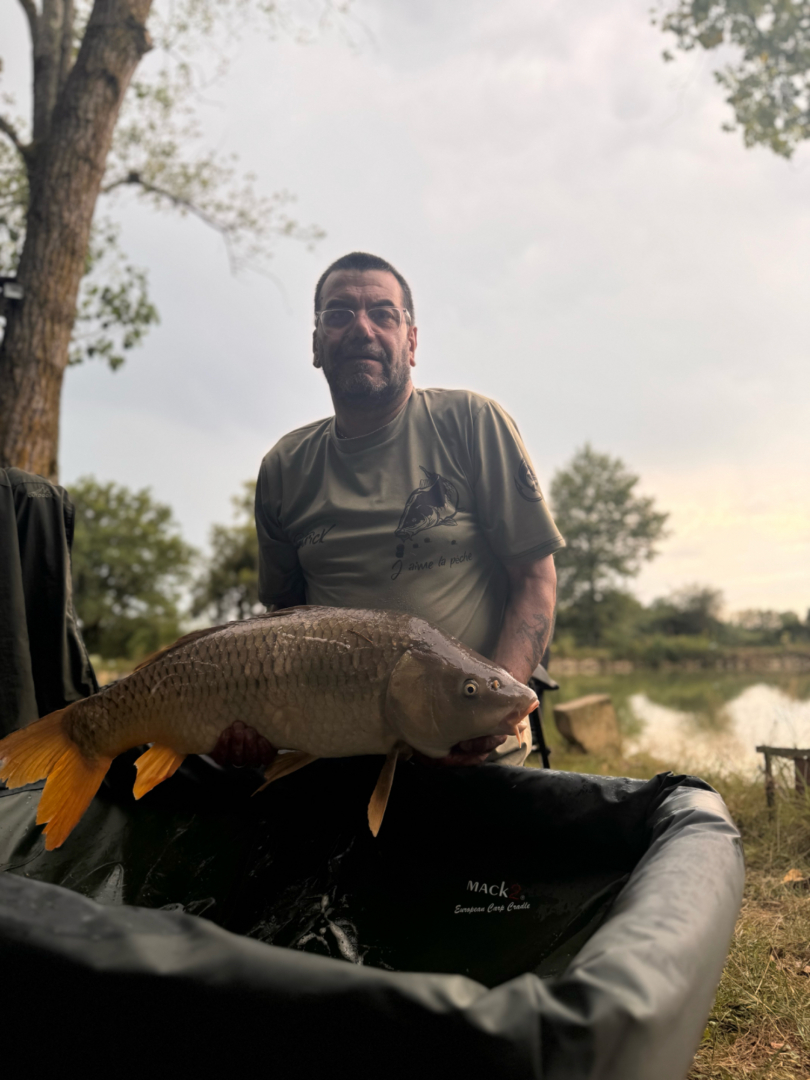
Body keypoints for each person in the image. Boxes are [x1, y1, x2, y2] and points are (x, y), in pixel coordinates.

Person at [213, 252, 563, 769]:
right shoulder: (284, 467)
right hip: (336, 758)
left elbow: (535, 579)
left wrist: (491, 711)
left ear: (412, 341)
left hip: (473, 763)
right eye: (339, 314)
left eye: (383, 313)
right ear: (316, 345)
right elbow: (283, 620)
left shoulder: (472, 423)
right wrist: (258, 720)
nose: (362, 328)